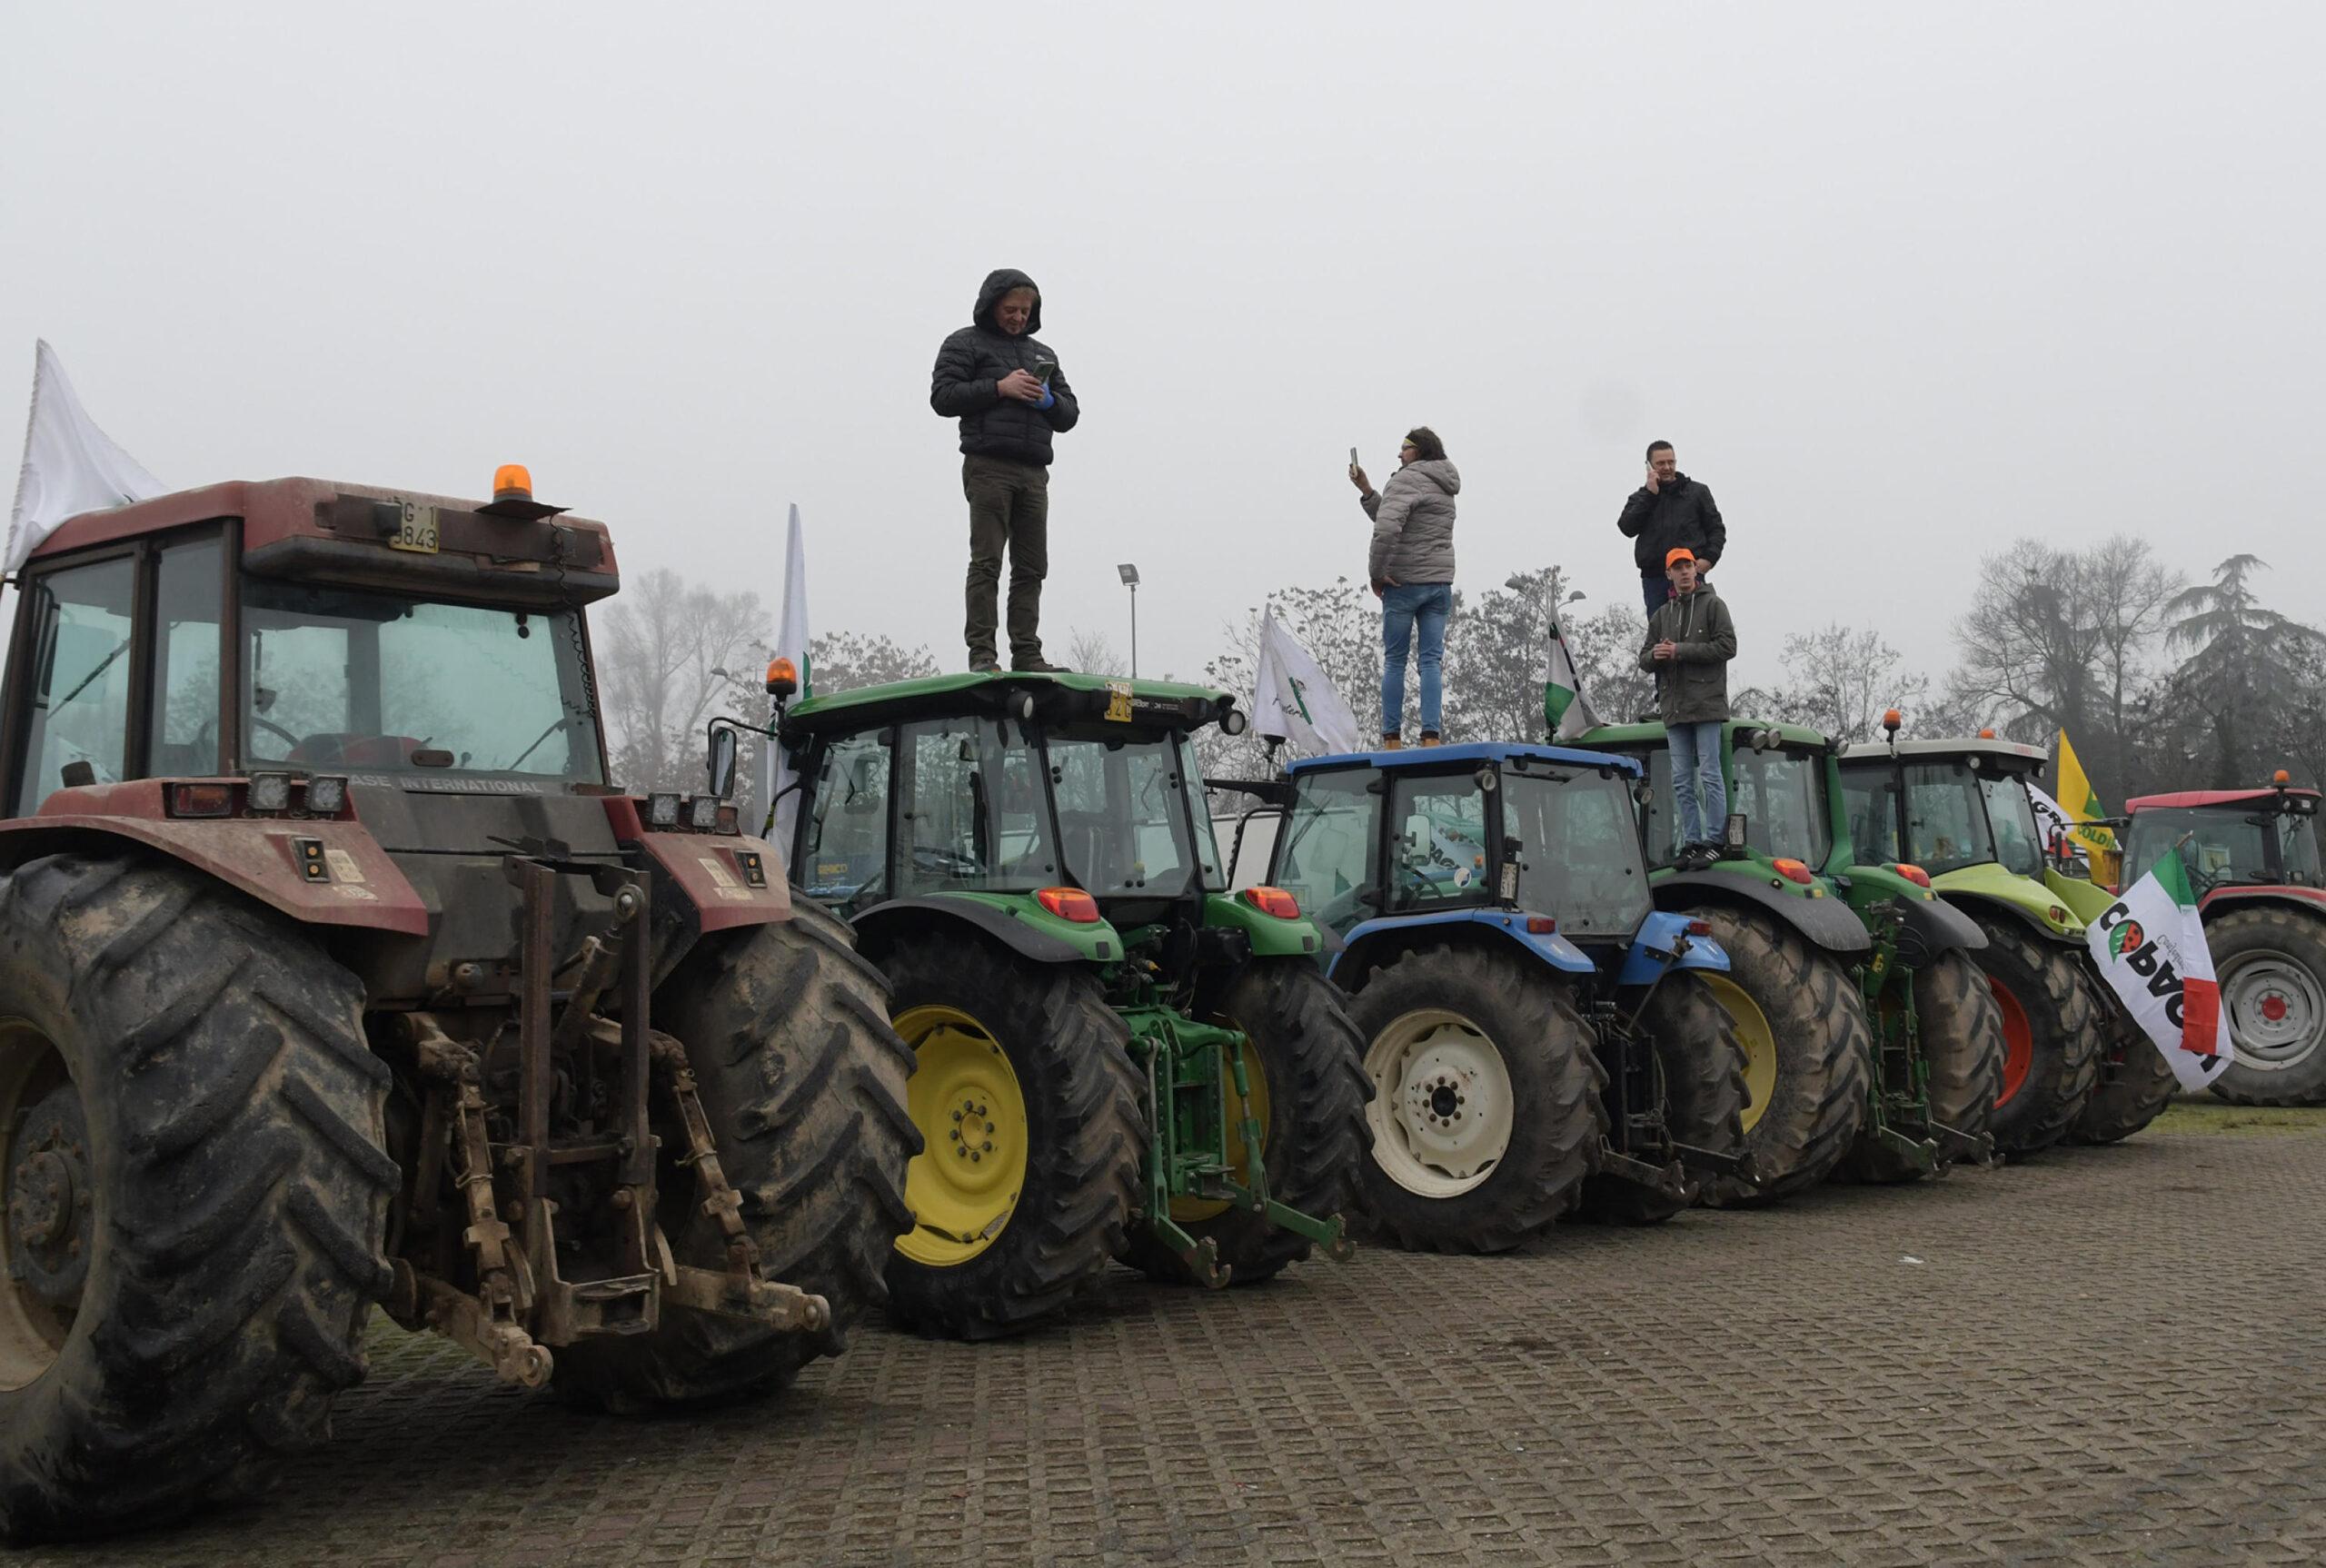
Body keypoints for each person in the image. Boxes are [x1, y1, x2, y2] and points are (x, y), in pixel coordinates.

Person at [930, 268, 1080, 673]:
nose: (1017, 317)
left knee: (1032, 567)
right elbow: (943, 397)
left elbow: (1070, 415)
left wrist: (1047, 401)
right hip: (988, 466)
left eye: (1025, 310)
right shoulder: (963, 343)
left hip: (1034, 473)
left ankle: (1027, 653)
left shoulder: (1043, 353)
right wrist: (1000, 388)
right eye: (1011, 309)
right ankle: (982, 654)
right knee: (987, 562)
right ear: (992, 305)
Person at [1349, 427, 1458, 749]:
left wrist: (1377, 573)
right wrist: (1367, 490)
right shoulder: (1446, 484)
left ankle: (1392, 737)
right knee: (1430, 661)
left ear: (1420, 451)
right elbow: (1399, 519)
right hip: (1439, 585)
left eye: (1405, 448)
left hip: (1404, 584)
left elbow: (1387, 529)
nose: (1400, 454)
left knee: (1395, 660)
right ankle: (1431, 736)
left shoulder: (1405, 479)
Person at [1638, 547, 1736, 869]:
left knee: (1710, 774)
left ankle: (1715, 841)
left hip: (1706, 705)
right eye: (1677, 567)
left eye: (1688, 566)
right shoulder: (1661, 615)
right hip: (1675, 708)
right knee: (1681, 779)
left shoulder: (1714, 606)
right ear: (1668, 574)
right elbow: (1644, 659)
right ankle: (1692, 842)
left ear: (1696, 570)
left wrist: (1680, 650)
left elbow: (1727, 646)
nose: (1683, 572)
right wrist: (1658, 656)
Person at [1616, 441, 1725, 615]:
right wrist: (1650, 495)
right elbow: (1627, 528)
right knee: (1660, 635)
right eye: (1660, 463)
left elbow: (1716, 529)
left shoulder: (1698, 493)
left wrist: (1709, 559)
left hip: (1690, 575)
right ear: (1649, 466)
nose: (1667, 467)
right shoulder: (1640, 498)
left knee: (1696, 630)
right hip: (1655, 579)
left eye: (1671, 462)